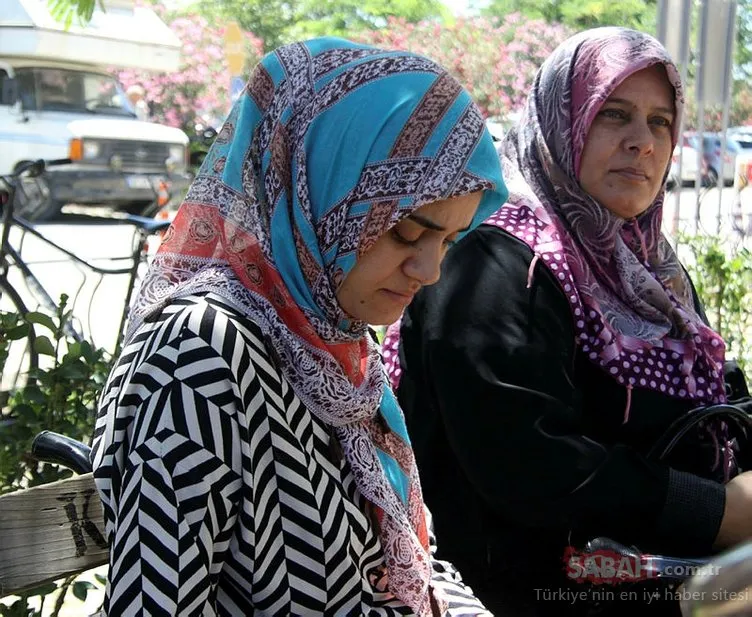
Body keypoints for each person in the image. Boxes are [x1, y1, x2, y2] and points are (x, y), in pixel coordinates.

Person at [90, 37, 508, 616]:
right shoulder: (198, 357)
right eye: (409, 232)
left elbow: (405, 570)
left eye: (449, 241)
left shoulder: (328, 339)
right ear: (316, 190)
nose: (430, 270)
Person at [382, 27, 752, 617]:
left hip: (672, 569)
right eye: (614, 115)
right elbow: (527, 461)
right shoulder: (496, 261)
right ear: (563, 118)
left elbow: (718, 382)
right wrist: (715, 511)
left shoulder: (648, 266)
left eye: (660, 122)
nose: (642, 142)